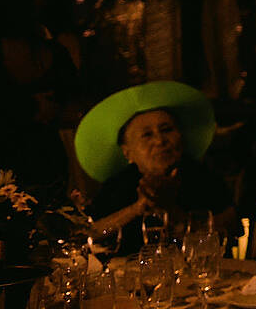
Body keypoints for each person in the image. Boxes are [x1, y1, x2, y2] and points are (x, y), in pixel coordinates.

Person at [74, 81, 233, 251]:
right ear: (128, 152)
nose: (159, 141)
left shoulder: (203, 176)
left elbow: (228, 228)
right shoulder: (117, 185)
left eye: (166, 130)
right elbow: (88, 235)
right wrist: (139, 207)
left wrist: (171, 210)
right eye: (147, 135)